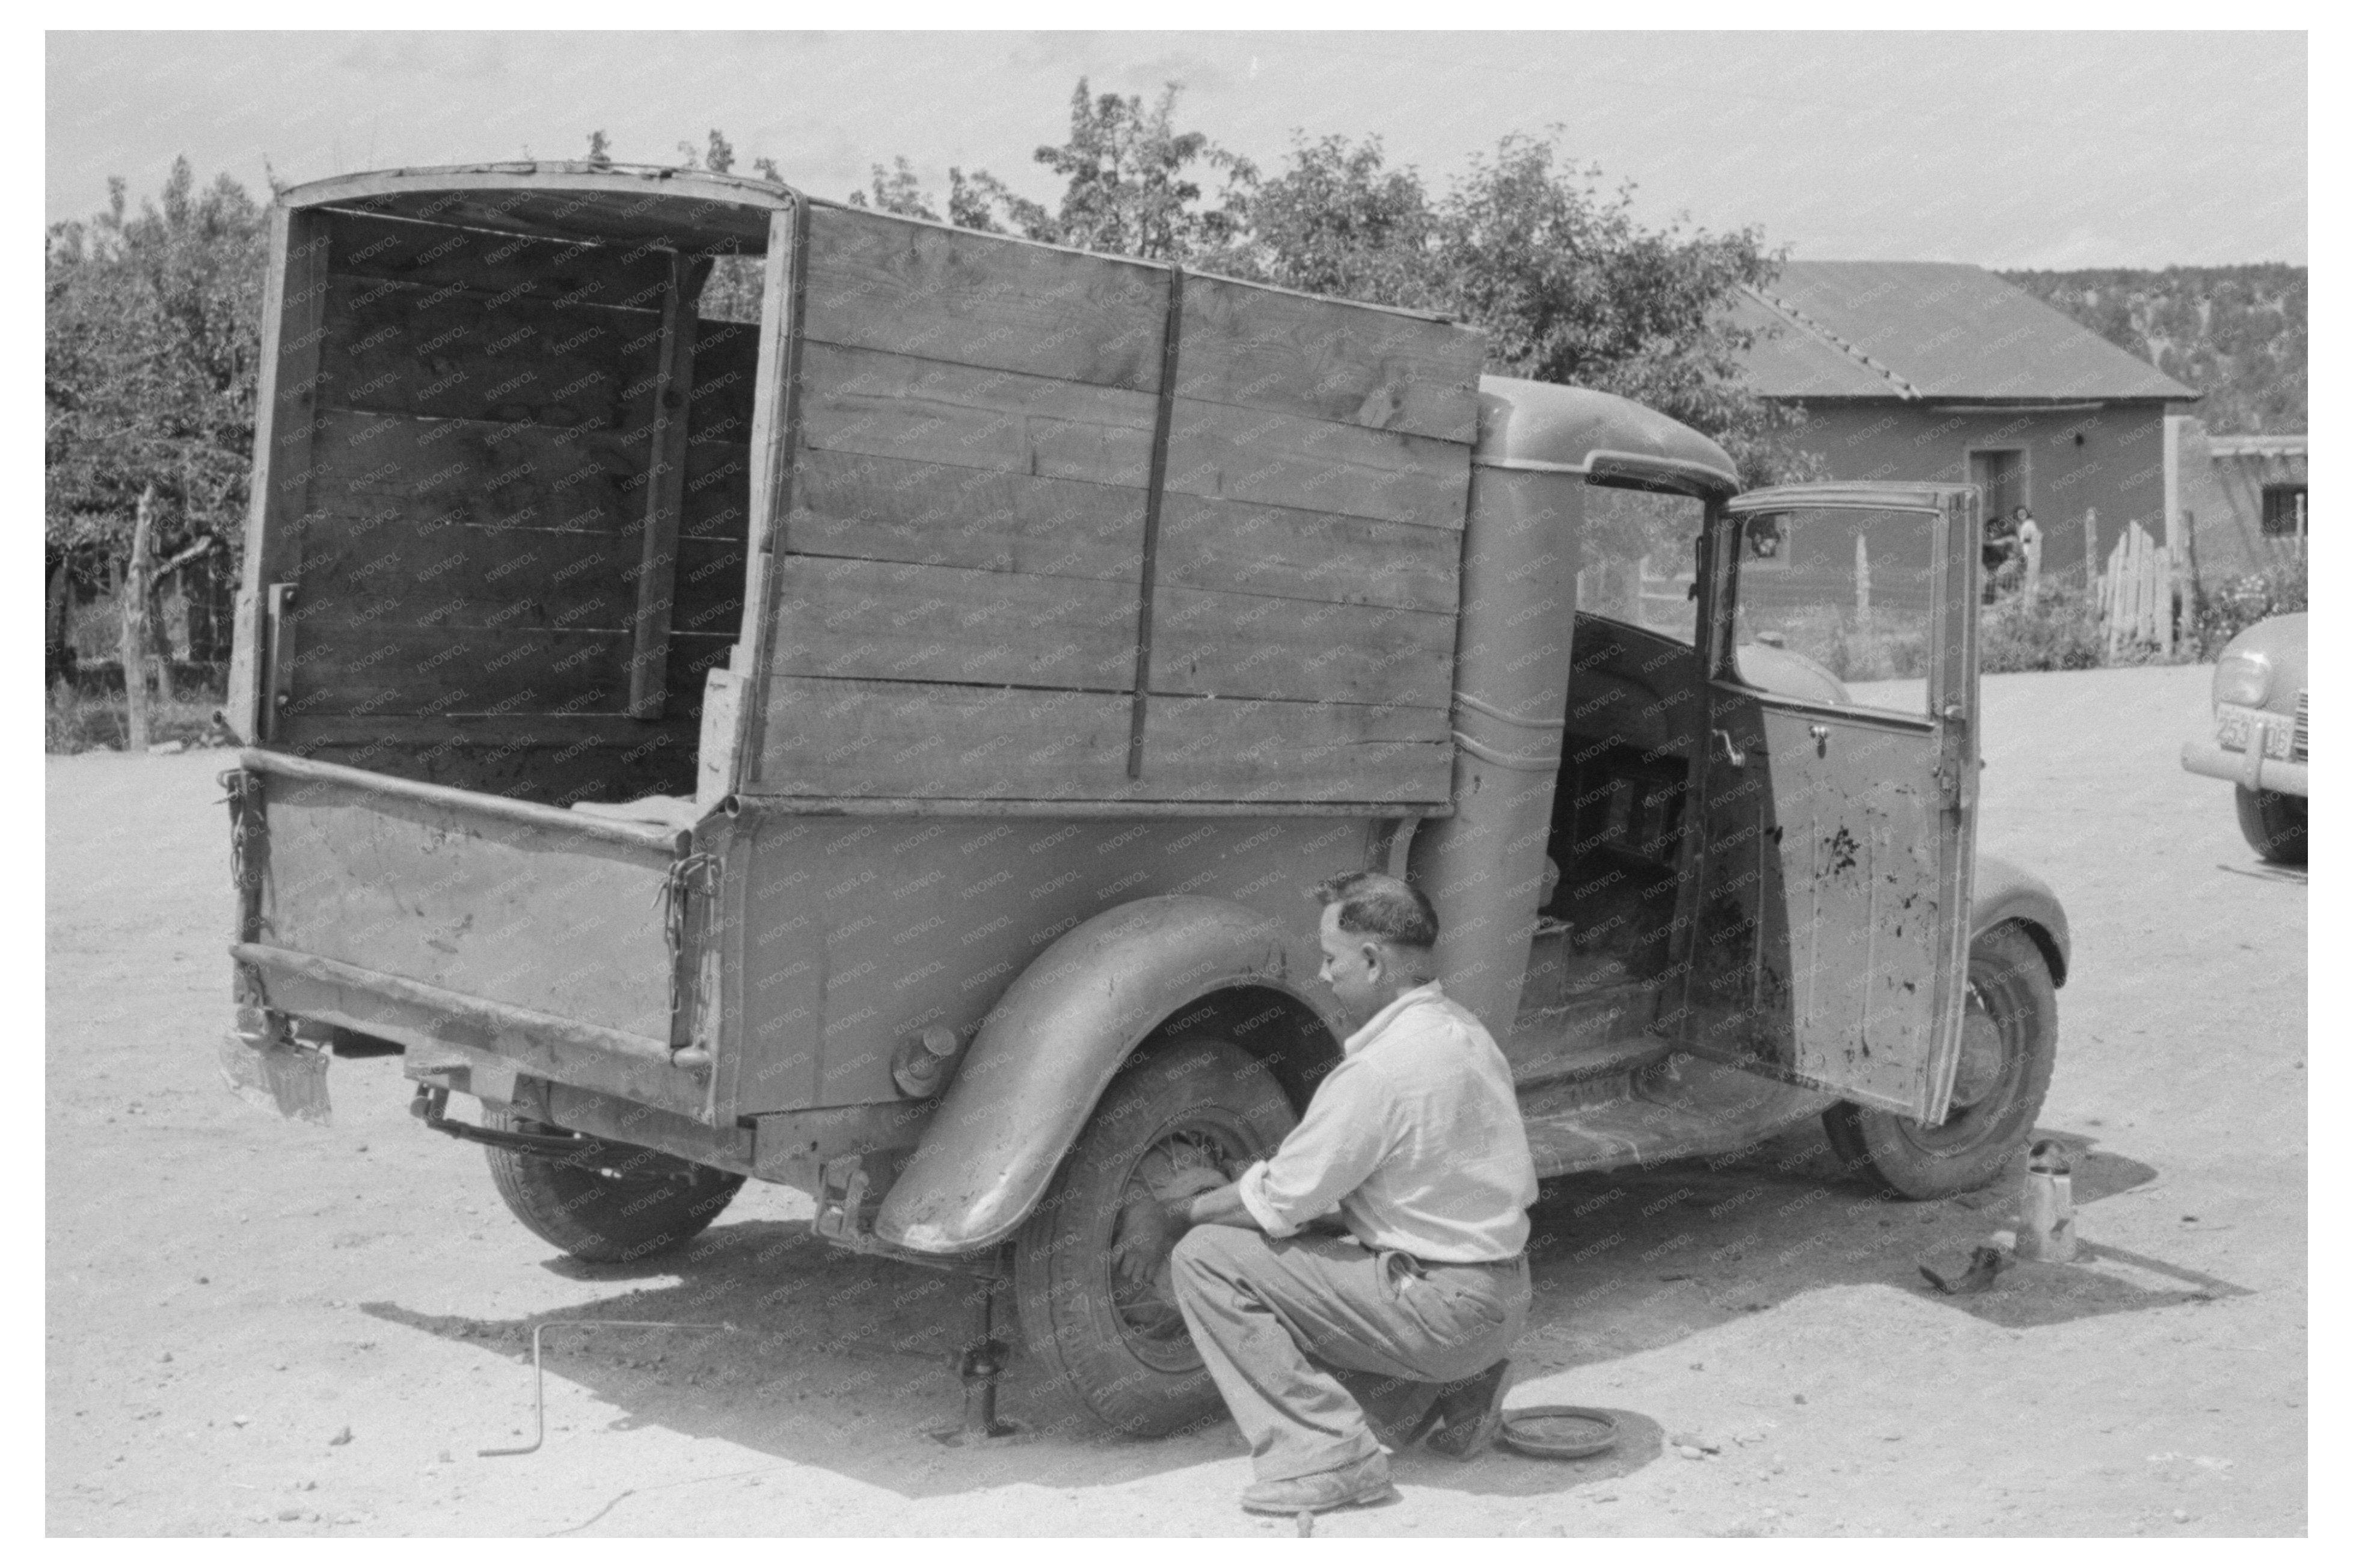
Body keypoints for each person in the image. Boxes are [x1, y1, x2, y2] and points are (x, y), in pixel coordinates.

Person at [1118, 871, 1539, 1516]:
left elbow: (1279, 1202)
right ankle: (1456, 1391)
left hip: (1443, 1308)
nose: (1321, 974)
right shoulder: (1462, 1031)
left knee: (1206, 1258)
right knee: (1320, 1246)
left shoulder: (1378, 1069)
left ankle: (1328, 1455)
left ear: (1372, 961)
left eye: (1331, 958)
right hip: (1503, 1295)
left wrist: (1180, 1209)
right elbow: (1394, 1197)